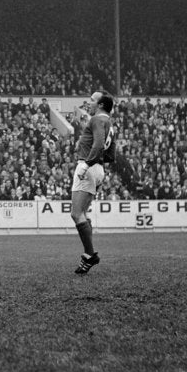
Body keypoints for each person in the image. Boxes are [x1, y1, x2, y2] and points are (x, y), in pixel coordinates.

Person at [70, 91, 116, 275]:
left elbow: (97, 145)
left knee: (76, 213)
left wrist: (86, 165)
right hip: (98, 169)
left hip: (88, 167)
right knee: (82, 214)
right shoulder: (109, 124)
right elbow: (110, 155)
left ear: (101, 105)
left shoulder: (97, 119)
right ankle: (88, 255)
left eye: (92, 100)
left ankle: (90, 254)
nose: (88, 103)